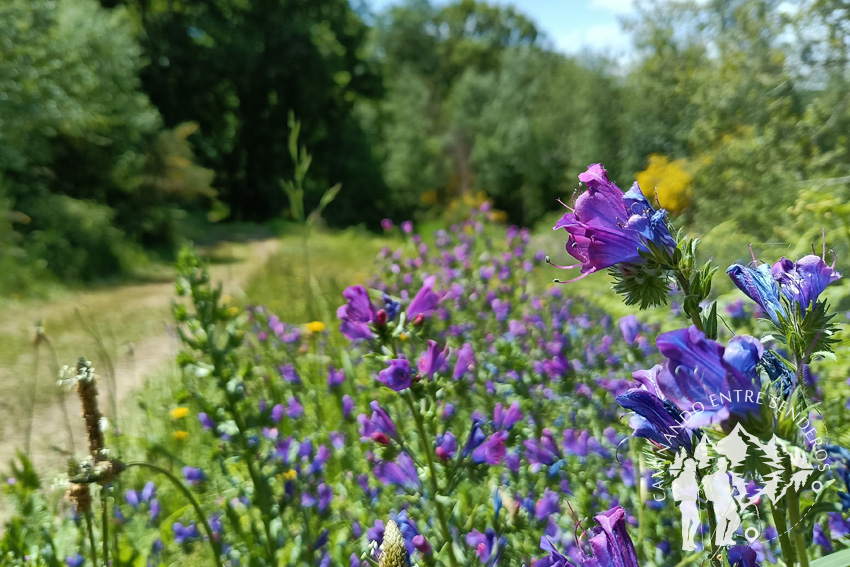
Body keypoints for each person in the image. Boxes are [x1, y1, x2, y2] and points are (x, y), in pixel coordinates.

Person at [702, 457, 741, 546]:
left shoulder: (726, 475)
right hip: (720, 503)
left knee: (735, 520)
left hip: (727, 501)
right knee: (722, 522)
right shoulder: (713, 476)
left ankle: (727, 538)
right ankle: (719, 541)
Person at [672, 457, 700, 551]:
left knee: (696, 522)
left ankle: (690, 541)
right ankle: (686, 544)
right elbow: (676, 497)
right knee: (686, 524)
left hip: (693, 504)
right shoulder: (678, 480)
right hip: (685, 504)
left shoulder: (692, 479)